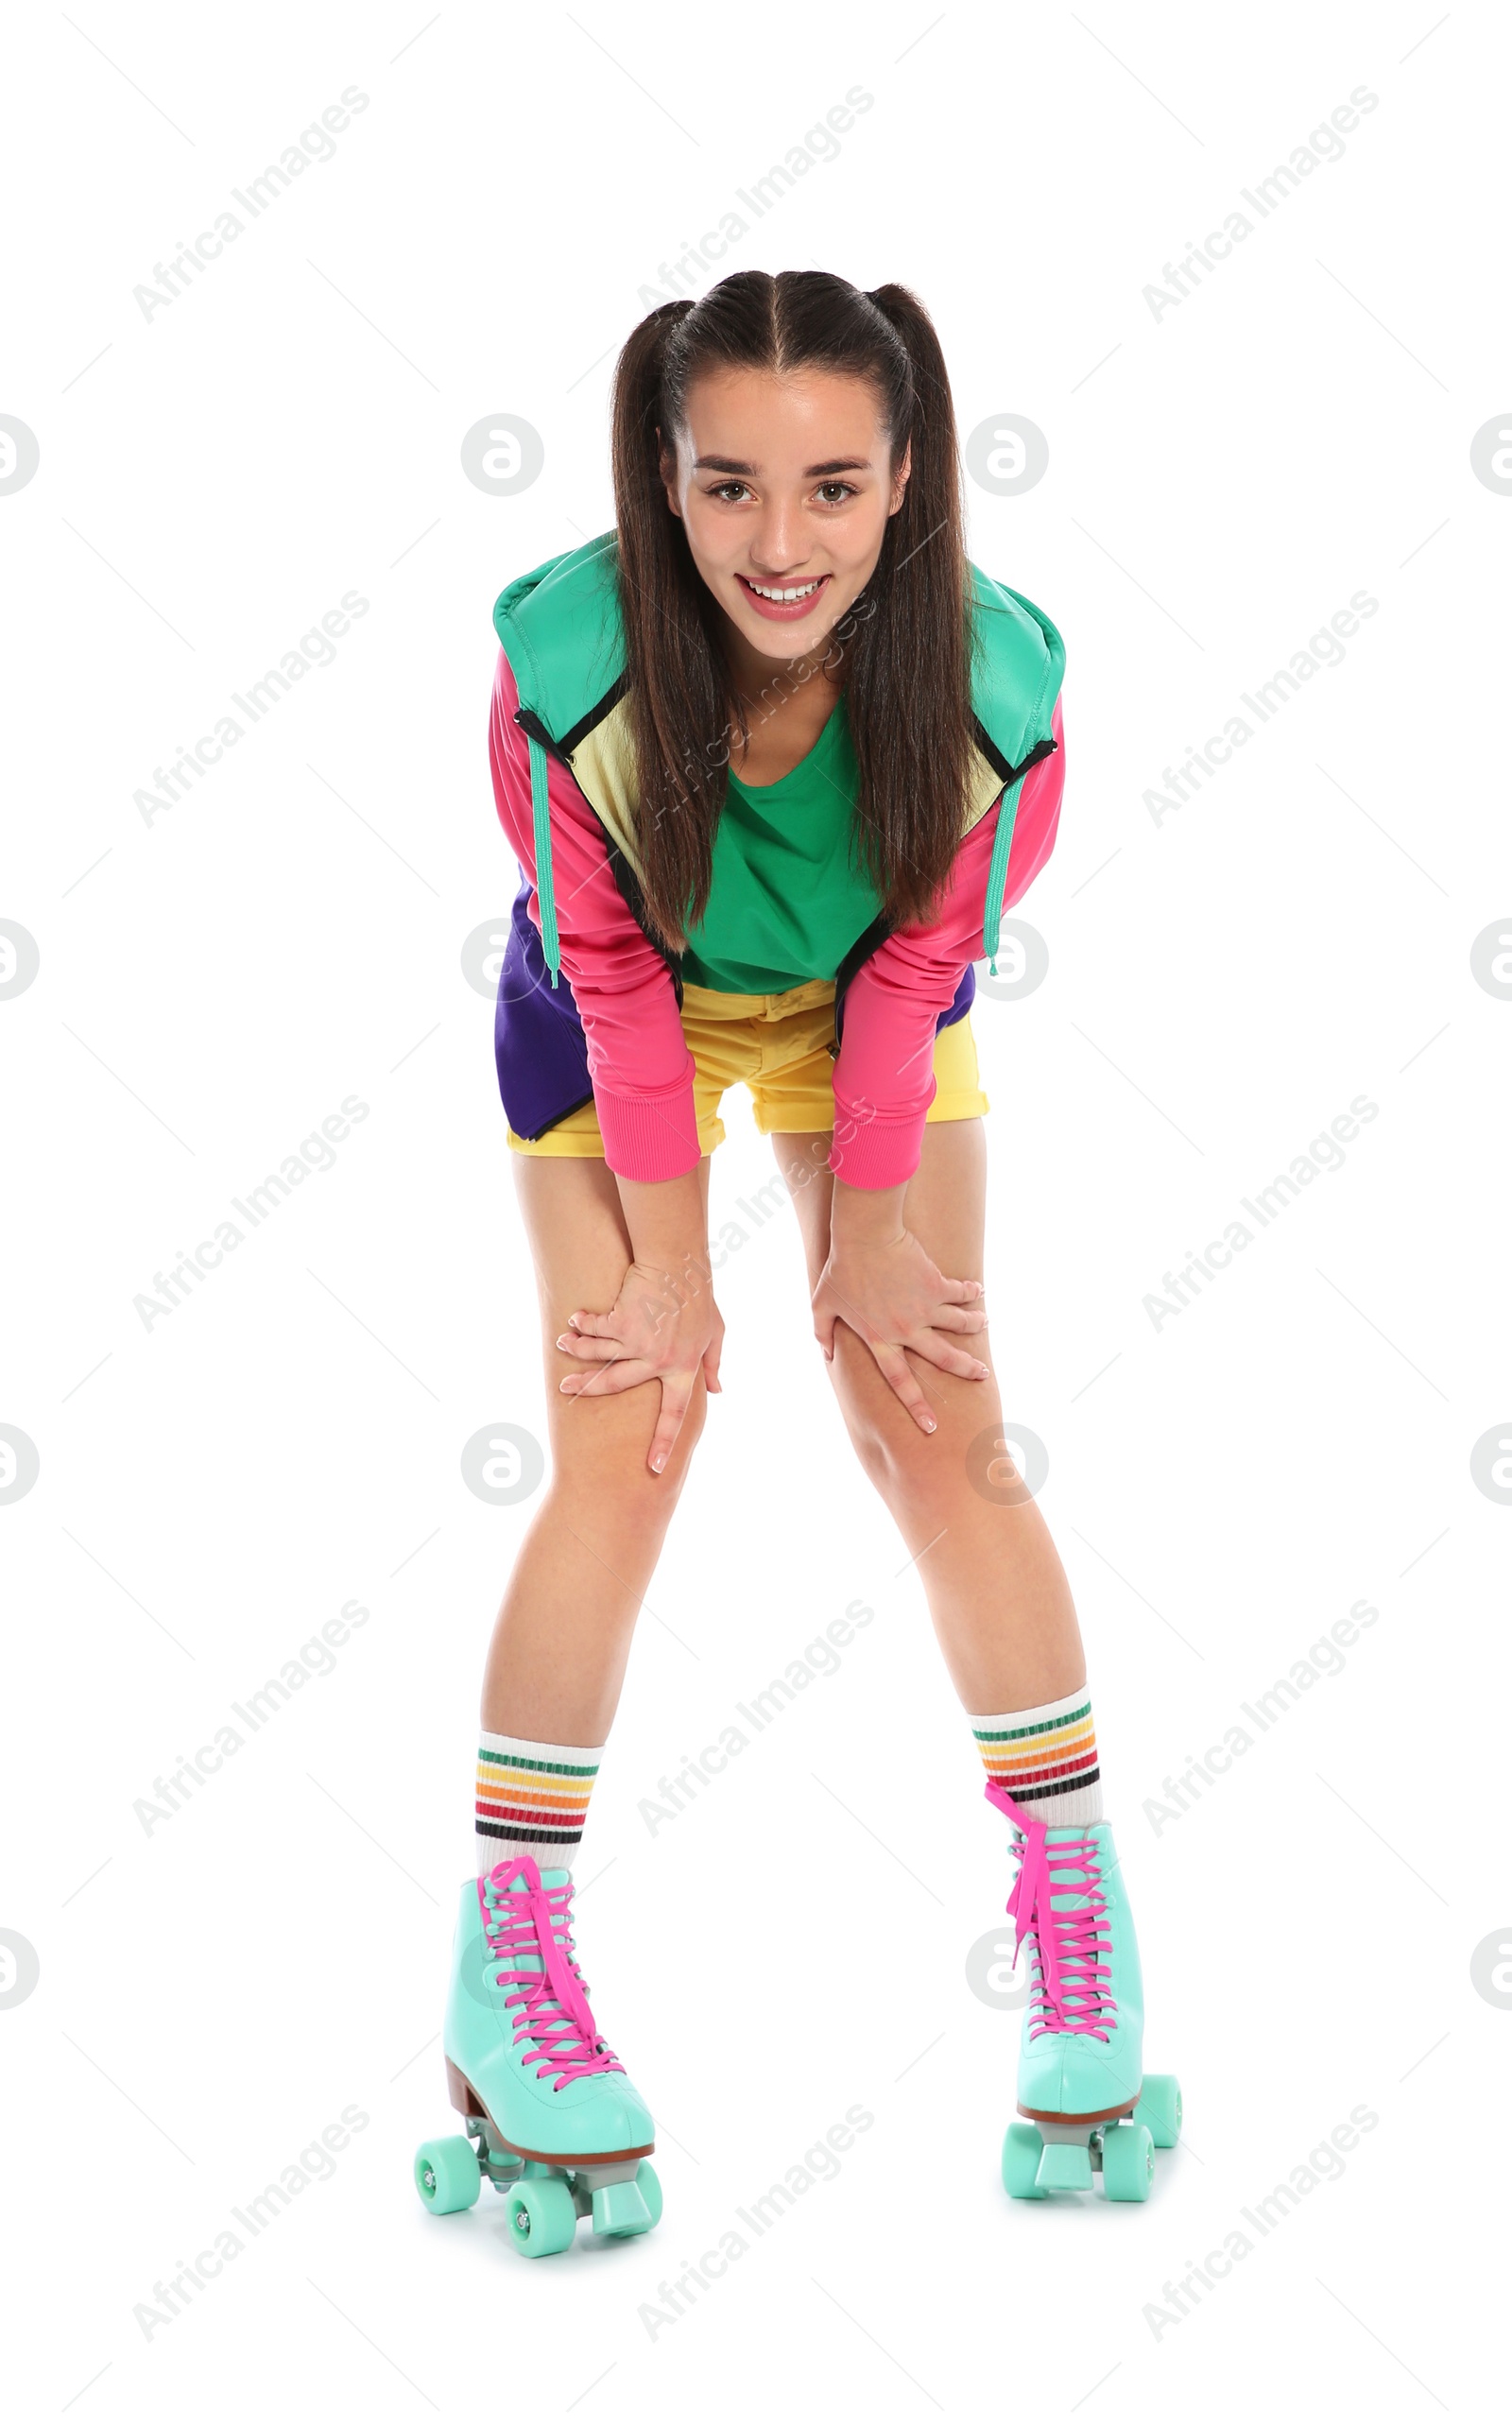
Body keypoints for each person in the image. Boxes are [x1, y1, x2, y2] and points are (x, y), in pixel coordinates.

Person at [412, 269, 1177, 2251]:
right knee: (630, 1427)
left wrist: (861, 1247)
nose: (779, 544)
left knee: (935, 1409)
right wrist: (675, 1282)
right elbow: (606, 981)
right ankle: (506, 1958)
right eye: (727, 485)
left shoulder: (994, 704)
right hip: (611, 1015)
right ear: (657, 483)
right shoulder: (566, 676)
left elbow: (920, 966)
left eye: (833, 488)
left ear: (907, 479)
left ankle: (1078, 1904)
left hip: (864, 1016)